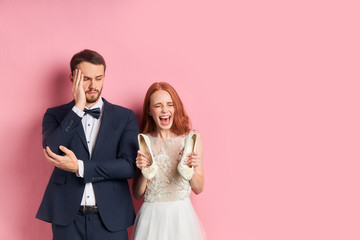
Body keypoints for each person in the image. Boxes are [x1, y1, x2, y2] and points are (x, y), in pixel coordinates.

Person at [36, 49, 139, 240]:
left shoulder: (125, 117)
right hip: (67, 219)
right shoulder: (55, 115)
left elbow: (128, 167)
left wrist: (80, 167)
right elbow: (51, 150)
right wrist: (77, 109)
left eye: (99, 78)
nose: (93, 85)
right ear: (72, 78)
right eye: (86, 79)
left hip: (111, 218)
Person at [132, 82, 206, 239]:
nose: (165, 110)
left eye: (170, 104)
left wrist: (189, 168)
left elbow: (198, 188)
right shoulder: (144, 141)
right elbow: (137, 193)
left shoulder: (191, 138)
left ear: (176, 108)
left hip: (181, 218)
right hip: (152, 219)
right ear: (150, 111)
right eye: (158, 106)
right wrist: (145, 171)